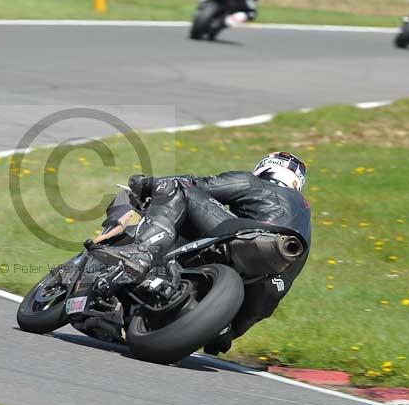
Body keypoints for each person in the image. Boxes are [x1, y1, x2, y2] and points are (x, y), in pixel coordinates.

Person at [90, 152, 311, 355]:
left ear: (265, 168)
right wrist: (229, 330)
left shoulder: (255, 183)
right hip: (263, 279)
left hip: (245, 237)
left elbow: (198, 185)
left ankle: (140, 254)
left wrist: (146, 183)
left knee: (177, 188)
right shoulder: (304, 232)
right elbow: (268, 301)